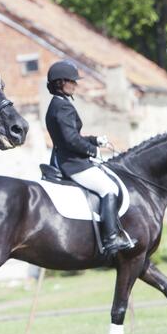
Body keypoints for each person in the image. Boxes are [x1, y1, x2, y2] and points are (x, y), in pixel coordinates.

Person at [44, 60, 136, 255]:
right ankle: (111, 238)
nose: (76, 85)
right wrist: (92, 151)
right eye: (72, 81)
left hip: (70, 158)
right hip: (73, 164)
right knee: (108, 188)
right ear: (61, 83)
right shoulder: (62, 107)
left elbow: (71, 137)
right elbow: (70, 141)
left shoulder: (59, 104)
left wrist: (94, 140)